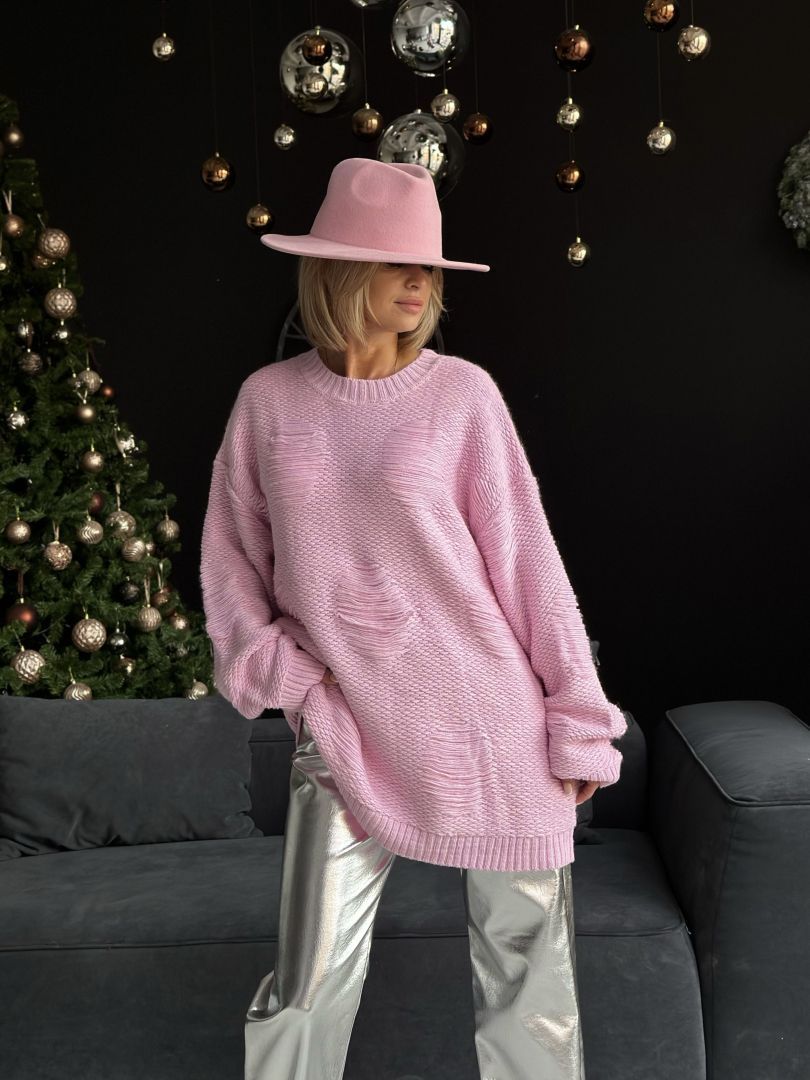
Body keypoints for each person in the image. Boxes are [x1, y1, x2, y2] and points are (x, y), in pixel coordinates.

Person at [199, 157, 628, 1080]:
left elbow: (529, 565)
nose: (418, 284)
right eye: (396, 263)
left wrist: (578, 721)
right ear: (338, 270)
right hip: (345, 722)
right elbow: (231, 562)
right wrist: (284, 674)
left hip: (488, 721)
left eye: (428, 267)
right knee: (304, 985)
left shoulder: (462, 395)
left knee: (531, 987)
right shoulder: (268, 403)